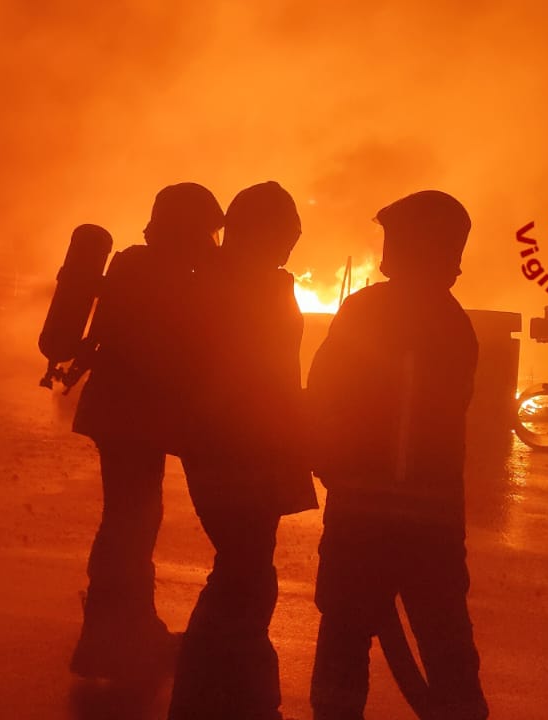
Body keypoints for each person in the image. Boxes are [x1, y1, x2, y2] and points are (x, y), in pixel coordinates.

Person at [305, 190, 489, 720]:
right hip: (432, 520)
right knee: (445, 639)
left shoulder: (369, 311)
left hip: (363, 514)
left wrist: (327, 459)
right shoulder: (454, 323)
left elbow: (323, 395)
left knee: (344, 634)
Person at [167, 181, 318, 720]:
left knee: (244, 568)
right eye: (287, 233)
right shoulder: (243, 286)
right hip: (239, 449)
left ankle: (218, 694)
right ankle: (232, 696)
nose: (293, 243)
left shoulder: (228, 279)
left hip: (234, 447)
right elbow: (257, 375)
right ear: (259, 232)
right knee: (245, 572)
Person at [69, 182, 224, 681]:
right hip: (130, 418)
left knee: (130, 521)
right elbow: (168, 353)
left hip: (119, 416)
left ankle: (119, 632)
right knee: (130, 524)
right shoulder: (162, 273)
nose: (211, 242)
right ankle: (110, 639)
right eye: (205, 231)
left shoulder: (137, 264)